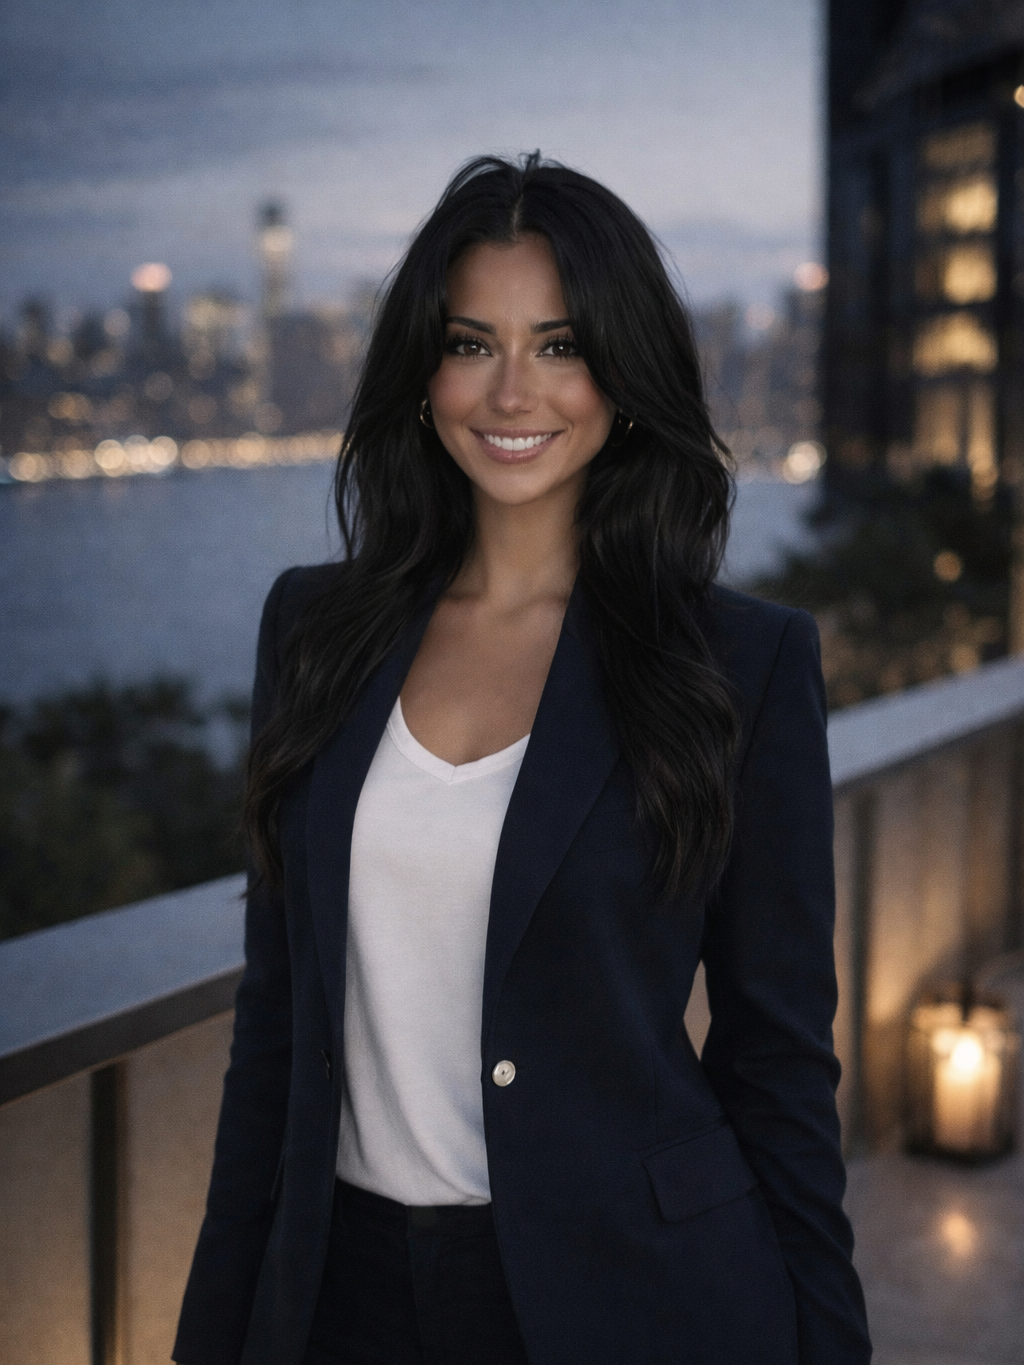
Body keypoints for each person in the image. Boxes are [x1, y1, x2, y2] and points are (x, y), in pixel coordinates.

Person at [174, 153, 871, 1365]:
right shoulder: (315, 629)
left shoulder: (739, 664)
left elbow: (778, 1061)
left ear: (623, 373)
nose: (510, 392)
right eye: (470, 344)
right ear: (422, 370)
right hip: (343, 1294)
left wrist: (830, 1347)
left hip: (630, 1293)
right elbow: (275, 1027)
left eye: (558, 346)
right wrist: (213, 1335)